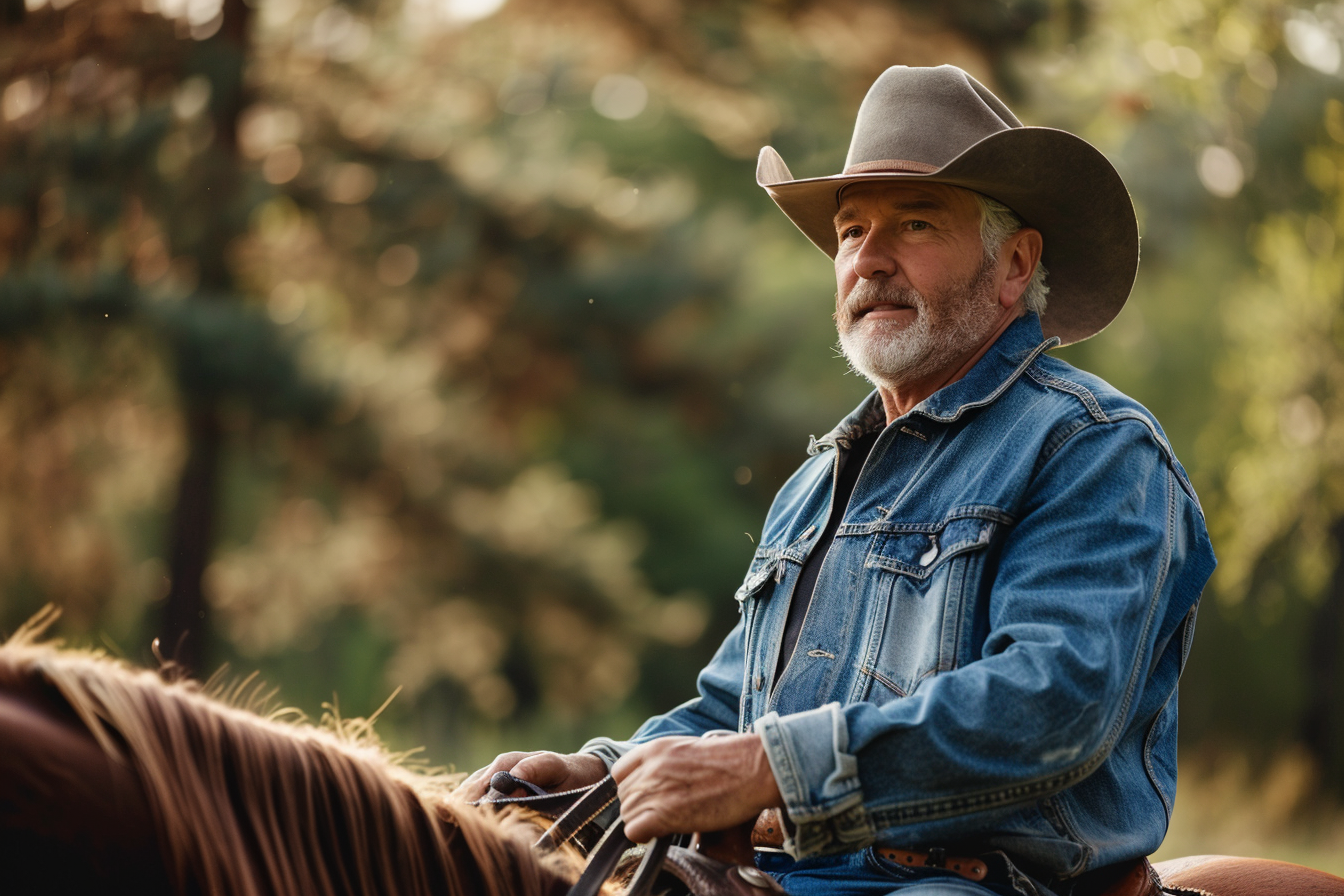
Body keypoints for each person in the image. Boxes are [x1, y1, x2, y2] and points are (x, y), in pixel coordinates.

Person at [458, 64, 1216, 896]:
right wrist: (597, 776)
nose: (870, 261)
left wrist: (772, 772)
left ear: (1014, 265)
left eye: (916, 223)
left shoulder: (1093, 448)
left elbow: (1051, 703)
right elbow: (731, 720)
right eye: (852, 232)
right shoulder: (815, 483)